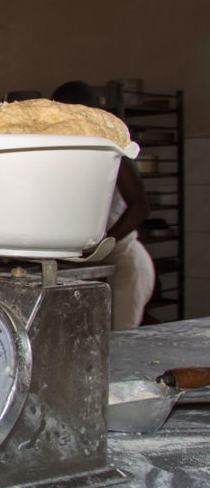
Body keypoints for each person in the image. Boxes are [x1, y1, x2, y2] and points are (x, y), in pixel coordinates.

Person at [51, 81, 155, 329]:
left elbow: (141, 207)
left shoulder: (112, 150)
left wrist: (103, 244)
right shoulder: (64, 152)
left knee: (120, 341)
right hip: (86, 262)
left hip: (122, 261)